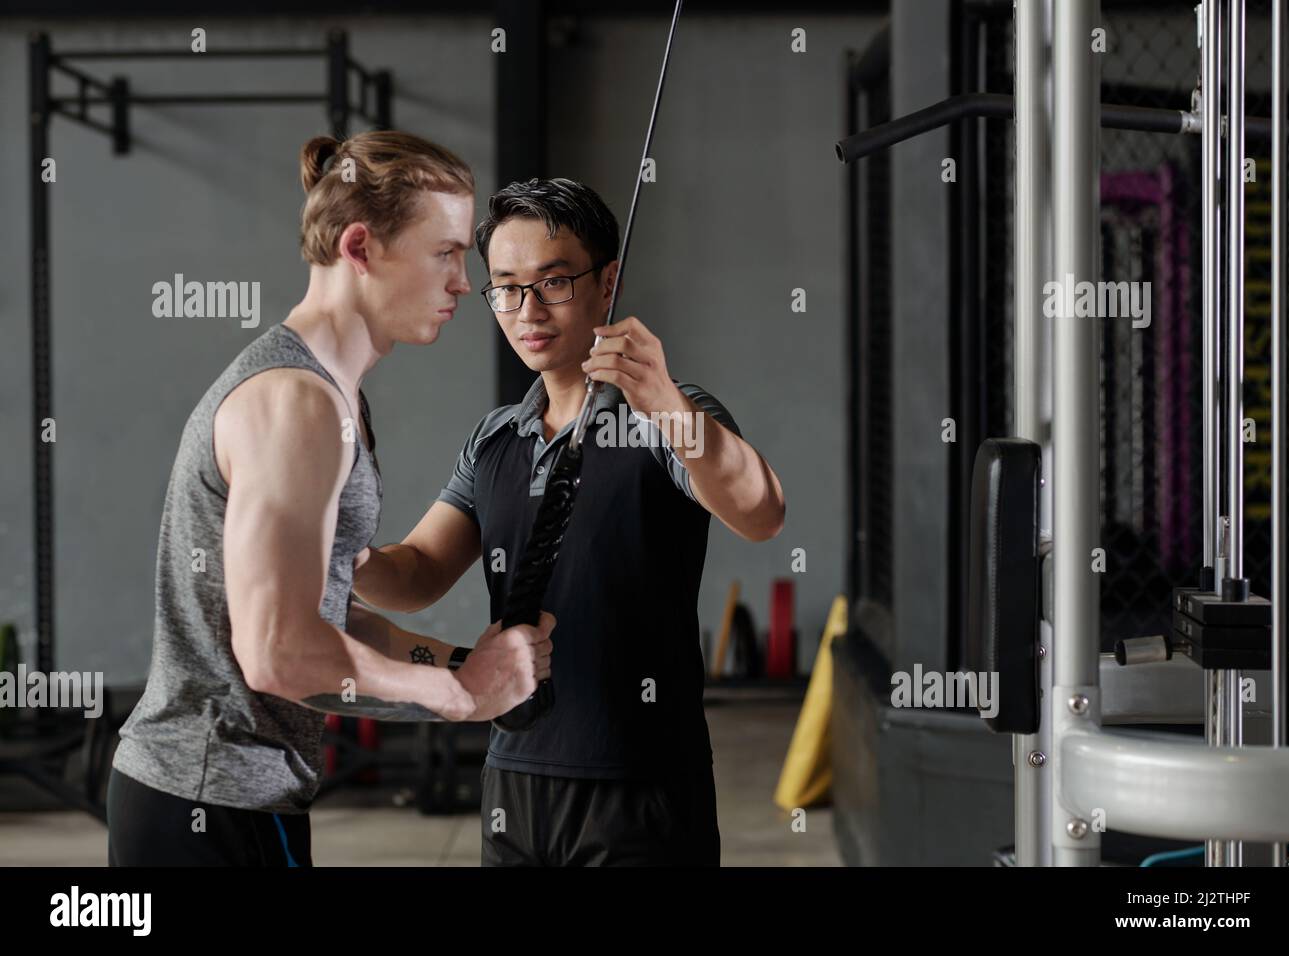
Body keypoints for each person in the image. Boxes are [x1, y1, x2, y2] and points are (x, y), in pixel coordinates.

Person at [107, 132, 554, 867]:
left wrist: (467, 667)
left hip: (235, 799)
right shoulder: (299, 403)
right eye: (444, 251)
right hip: (207, 806)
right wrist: (455, 696)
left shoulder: (330, 394)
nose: (463, 281)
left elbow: (322, 618)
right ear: (360, 247)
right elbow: (281, 654)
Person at [353, 177, 785, 866]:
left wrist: (666, 403)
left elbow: (761, 511)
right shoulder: (493, 439)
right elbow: (420, 573)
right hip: (514, 777)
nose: (528, 310)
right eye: (506, 286)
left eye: (553, 282)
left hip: (640, 787)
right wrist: (351, 556)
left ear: (606, 283)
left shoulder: (669, 417)